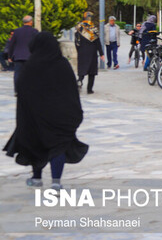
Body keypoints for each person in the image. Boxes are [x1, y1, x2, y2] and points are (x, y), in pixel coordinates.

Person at [3, 32, 88, 190]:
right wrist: (75, 113)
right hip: (60, 117)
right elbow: (72, 91)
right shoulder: (62, 64)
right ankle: (56, 182)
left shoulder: (31, 66)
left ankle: (36, 178)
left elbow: (22, 91)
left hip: (36, 117)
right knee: (59, 146)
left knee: (37, 145)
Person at [6, 15, 39, 94]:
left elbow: (11, 44)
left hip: (18, 56)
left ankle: (17, 90)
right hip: (30, 56)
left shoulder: (17, 31)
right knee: (30, 74)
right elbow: (38, 44)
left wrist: (10, 56)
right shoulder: (34, 31)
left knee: (17, 73)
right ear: (31, 22)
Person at [75, 11, 105, 94]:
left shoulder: (78, 28)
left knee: (82, 69)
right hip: (92, 52)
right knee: (92, 72)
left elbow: (76, 42)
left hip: (82, 52)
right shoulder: (93, 28)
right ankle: (89, 89)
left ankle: (80, 80)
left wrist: (79, 50)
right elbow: (97, 42)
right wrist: (101, 53)